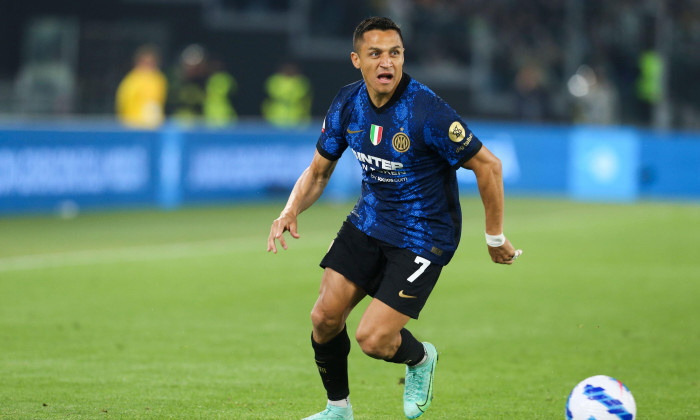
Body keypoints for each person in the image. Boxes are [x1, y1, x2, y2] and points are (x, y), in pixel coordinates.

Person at [267, 17, 522, 420]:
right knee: (324, 318)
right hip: (370, 220)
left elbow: (489, 166)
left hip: (423, 235)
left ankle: (420, 359)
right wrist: (290, 209)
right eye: (376, 54)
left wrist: (494, 237)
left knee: (373, 339)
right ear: (357, 60)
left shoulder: (426, 111)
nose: (387, 62)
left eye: (395, 53)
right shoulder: (347, 103)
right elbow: (318, 172)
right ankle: (338, 410)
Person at [115, 45, 167, 129]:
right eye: (146, 62)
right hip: (133, 125)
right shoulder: (131, 80)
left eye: (151, 62)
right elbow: (123, 102)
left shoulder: (159, 79)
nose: (148, 66)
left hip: (154, 126)